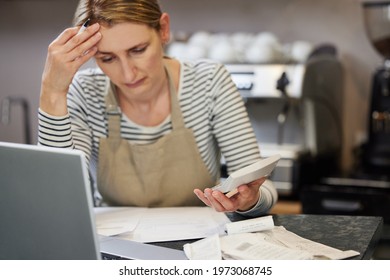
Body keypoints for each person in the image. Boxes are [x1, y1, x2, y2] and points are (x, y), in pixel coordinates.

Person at [38, 0, 277, 217]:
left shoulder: (208, 81)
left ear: (163, 29)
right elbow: (57, 195)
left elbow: (261, 187)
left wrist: (249, 200)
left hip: (197, 244)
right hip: (115, 247)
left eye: (138, 50)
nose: (128, 73)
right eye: (107, 59)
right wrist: (53, 91)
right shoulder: (85, 92)